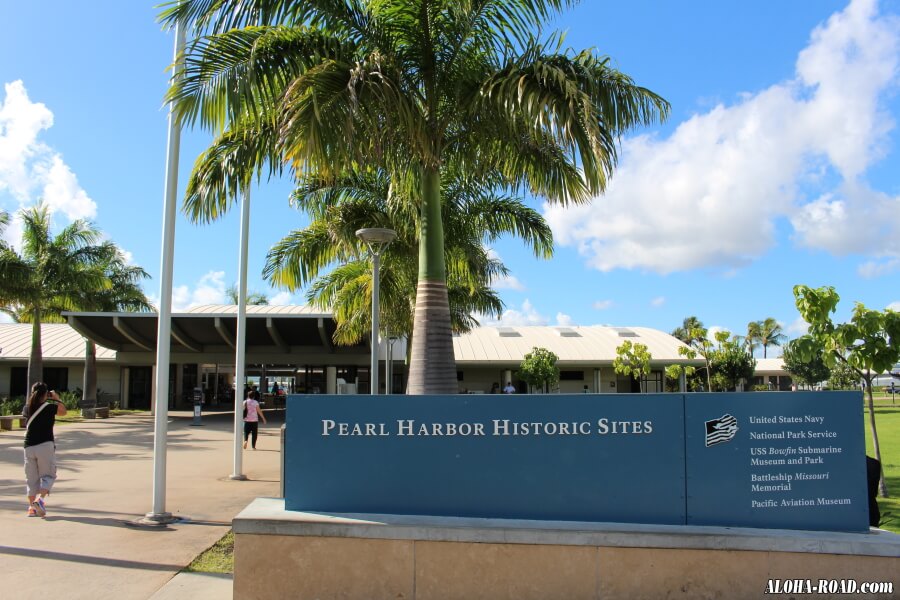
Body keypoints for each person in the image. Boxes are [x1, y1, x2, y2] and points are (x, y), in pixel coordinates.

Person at [23, 382, 67, 517]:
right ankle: (39, 500)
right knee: (49, 475)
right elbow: (63, 412)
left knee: (31, 478)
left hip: (29, 446)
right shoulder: (49, 406)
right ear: (45, 394)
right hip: (45, 445)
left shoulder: (27, 408)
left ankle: (31, 508)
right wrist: (56, 398)